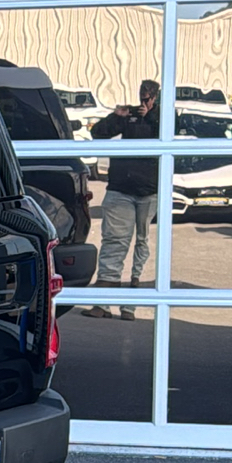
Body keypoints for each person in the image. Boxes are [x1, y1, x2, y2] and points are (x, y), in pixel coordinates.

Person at [84, 79, 160, 320]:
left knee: (142, 243)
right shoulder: (129, 116)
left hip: (148, 190)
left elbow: (168, 135)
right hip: (121, 188)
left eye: (148, 98)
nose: (143, 102)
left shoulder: (163, 119)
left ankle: (130, 306)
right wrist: (117, 116)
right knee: (114, 242)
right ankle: (102, 304)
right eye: (142, 97)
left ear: (156, 97)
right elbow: (98, 133)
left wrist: (151, 117)